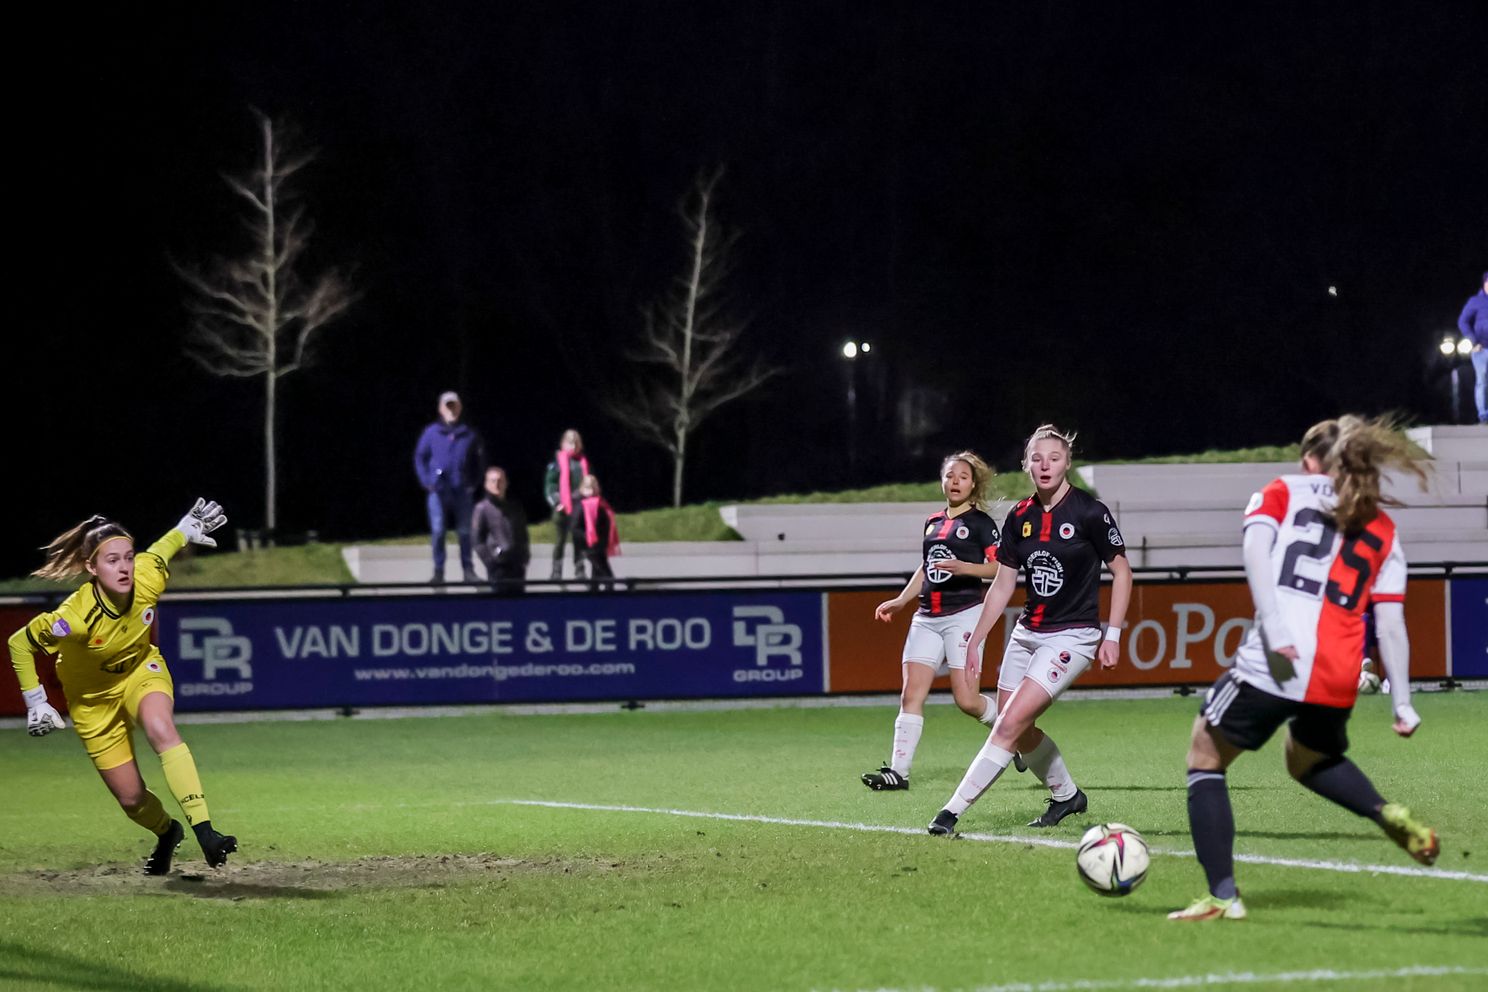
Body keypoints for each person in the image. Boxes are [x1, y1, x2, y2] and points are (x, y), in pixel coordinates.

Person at [1169, 415, 1438, 922]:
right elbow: (1392, 623)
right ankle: (1385, 812)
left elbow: (1254, 548)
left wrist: (1274, 625)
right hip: (1339, 671)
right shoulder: (1382, 525)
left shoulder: (1284, 489)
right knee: (1307, 759)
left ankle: (1223, 896)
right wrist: (1402, 701)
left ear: (1313, 460)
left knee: (1205, 755)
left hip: (1277, 659)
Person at [8, 501, 238, 874]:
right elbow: (19, 642)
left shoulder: (145, 577)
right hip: (92, 702)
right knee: (131, 799)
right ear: (91, 567)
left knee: (162, 729)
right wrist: (36, 700)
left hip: (139, 672)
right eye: (112, 560)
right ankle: (168, 831)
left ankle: (206, 831)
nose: (125, 566)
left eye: (128, 557)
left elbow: (159, 551)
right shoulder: (74, 618)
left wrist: (183, 530)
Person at [927, 425, 1132, 834]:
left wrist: (1113, 635)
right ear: (1026, 465)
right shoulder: (1020, 516)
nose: (1045, 465)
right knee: (1018, 730)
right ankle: (1067, 796)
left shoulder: (1090, 512)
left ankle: (949, 813)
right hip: (1026, 634)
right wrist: (975, 639)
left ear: (1067, 464)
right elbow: (1003, 584)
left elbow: (1122, 572)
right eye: (1036, 458)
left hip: (1072, 636)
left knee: (1006, 726)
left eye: (1054, 458)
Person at [860, 452, 1002, 792]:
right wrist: (901, 600)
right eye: (950, 475)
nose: (955, 481)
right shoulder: (933, 522)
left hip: (963, 615)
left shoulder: (982, 524)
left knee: (967, 700)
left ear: (973, 484)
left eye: (963, 476)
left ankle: (1011, 732)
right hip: (926, 616)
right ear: (943, 481)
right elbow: (927, 567)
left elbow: (999, 569)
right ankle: (899, 772)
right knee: (911, 694)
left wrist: (965, 568)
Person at [413, 391, 486, 584]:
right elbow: (420, 457)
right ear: (440, 409)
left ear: (460, 408)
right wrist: (426, 481)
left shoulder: (469, 434)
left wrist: (473, 484)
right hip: (438, 490)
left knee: (464, 530)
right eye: (448, 406)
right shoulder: (431, 432)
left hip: (462, 491)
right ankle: (438, 571)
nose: (451, 410)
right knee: (438, 531)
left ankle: (468, 570)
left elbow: (480, 462)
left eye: (454, 406)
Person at [472, 465, 530, 595]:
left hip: (517, 565)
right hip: (498, 567)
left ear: (506, 483)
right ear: (486, 484)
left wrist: (525, 556)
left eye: (500, 480)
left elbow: (523, 533)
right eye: (492, 481)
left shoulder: (515, 507)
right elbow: (477, 541)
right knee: (500, 608)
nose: (496, 484)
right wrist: (490, 562)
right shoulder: (482, 509)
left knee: (520, 606)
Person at [544, 429, 590, 580]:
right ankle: (556, 570)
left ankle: (580, 569)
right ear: (563, 444)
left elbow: (590, 483)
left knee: (579, 539)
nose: (573, 445)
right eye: (570, 442)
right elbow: (550, 485)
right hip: (562, 508)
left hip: (580, 508)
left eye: (576, 442)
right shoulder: (557, 462)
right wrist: (557, 502)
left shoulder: (583, 463)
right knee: (560, 540)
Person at [575, 474, 619, 590]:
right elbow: (576, 528)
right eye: (587, 487)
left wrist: (605, 540)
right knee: (608, 577)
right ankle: (609, 600)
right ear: (582, 489)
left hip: (600, 545)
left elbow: (606, 523)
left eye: (593, 487)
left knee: (596, 576)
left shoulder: (601, 504)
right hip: (590, 546)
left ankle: (594, 596)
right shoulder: (581, 505)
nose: (591, 491)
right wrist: (587, 538)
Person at [1458, 270, 1488, 423]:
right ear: (1485, 284)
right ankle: (1484, 416)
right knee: (1482, 381)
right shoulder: (1475, 301)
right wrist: (1473, 341)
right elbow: (1463, 321)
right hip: (1481, 349)